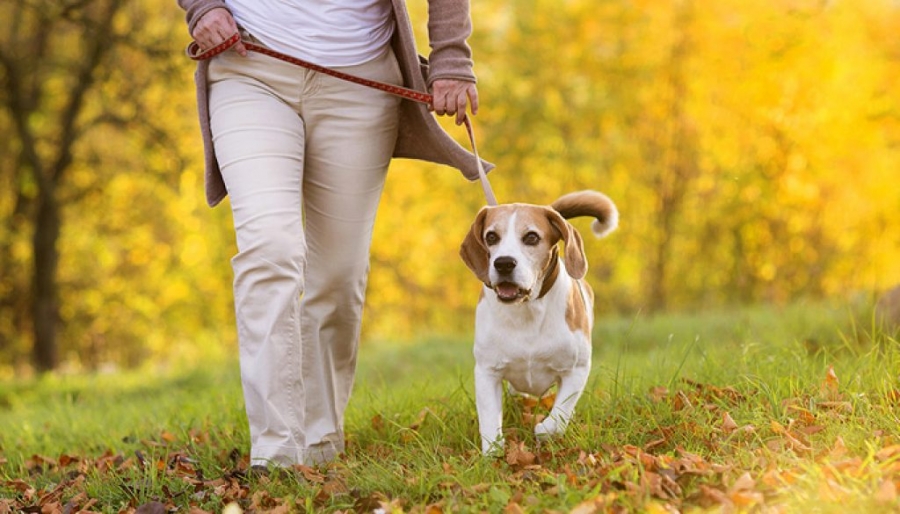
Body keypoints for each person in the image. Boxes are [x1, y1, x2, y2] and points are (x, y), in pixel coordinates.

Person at [177, 0, 489, 468]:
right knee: (270, 248)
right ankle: (276, 453)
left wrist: (451, 58)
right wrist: (201, 6)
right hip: (249, 67)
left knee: (338, 278)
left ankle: (320, 444)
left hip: (359, 83)